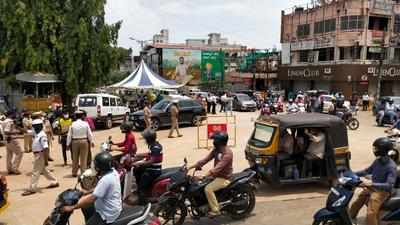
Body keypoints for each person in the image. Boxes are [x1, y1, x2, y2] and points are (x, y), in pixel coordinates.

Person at [63, 152, 122, 225]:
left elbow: (92, 198)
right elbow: (101, 189)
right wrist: (86, 192)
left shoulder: (106, 179)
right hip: (113, 208)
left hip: (107, 214)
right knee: (87, 208)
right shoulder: (113, 172)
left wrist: (72, 207)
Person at [349, 137, 397, 225]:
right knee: (357, 202)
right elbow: (366, 171)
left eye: (376, 148)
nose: (374, 150)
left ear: (382, 150)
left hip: (383, 192)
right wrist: (351, 173)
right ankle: (349, 219)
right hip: (372, 187)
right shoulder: (378, 161)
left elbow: (389, 185)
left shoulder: (391, 167)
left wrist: (371, 183)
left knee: (370, 213)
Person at [189, 132, 233, 217]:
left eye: (215, 140)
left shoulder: (227, 153)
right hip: (216, 176)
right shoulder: (216, 150)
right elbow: (205, 160)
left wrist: (205, 175)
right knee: (198, 185)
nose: (214, 142)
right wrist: (190, 167)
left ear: (220, 142)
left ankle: (216, 210)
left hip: (224, 178)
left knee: (208, 189)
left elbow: (218, 168)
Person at [22, 119, 59, 196]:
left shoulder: (42, 135)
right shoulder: (36, 132)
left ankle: (32, 188)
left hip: (40, 155)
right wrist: (17, 126)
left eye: (35, 126)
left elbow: (45, 148)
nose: (34, 128)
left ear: (40, 126)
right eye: (34, 126)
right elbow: (27, 131)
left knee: (35, 172)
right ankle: (54, 182)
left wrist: (46, 160)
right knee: (44, 171)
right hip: (37, 154)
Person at [132, 129, 163, 204]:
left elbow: (151, 161)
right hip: (152, 168)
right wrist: (136, 155)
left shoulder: (155, 147)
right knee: (137, 170)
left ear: (149, 139)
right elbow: (149, 154)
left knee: (141, 186)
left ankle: (142, 201)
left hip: (154, 170)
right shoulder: (153, 145)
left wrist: (138, 163)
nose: (144, 140)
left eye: (145, 138)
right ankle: (145, 189)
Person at [67, 110, 94, 177]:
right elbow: (89, 134)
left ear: (75, 116)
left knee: (75, 158)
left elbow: (69, 135)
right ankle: (83, 173)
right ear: (82, 116)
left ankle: (74, 172)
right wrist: (91, 141)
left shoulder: (72, 124)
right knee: (83, 158)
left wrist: (68, 144)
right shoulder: (85, 123)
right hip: (84, 141)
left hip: (74, 142)